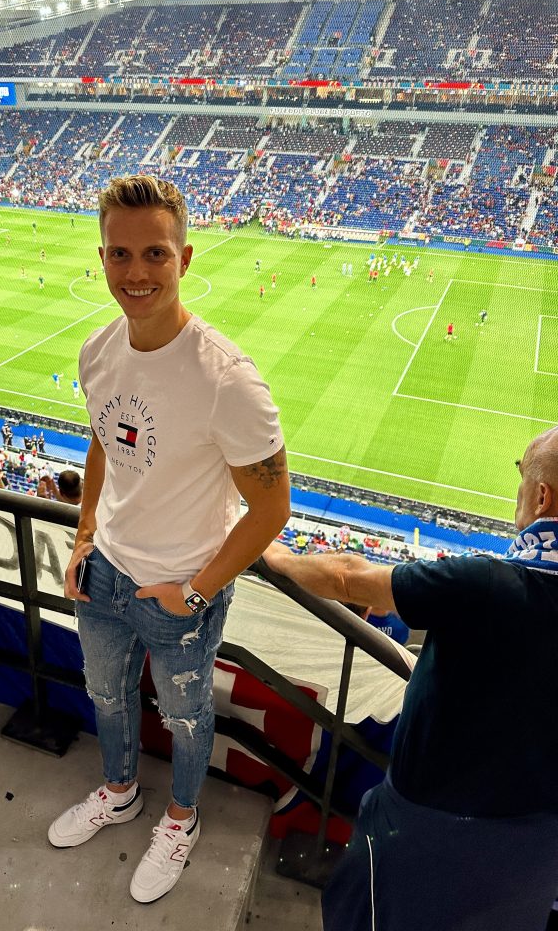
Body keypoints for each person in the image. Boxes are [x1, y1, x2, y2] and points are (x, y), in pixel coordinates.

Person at [49, 175, 289, 903]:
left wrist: (195, 590)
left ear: (184, 259)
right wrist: (85, 532)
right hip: (107, 574)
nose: (137, 272)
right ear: (102, 259)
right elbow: (99, 444)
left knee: (185, 716)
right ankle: (119, 791)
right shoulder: (97, 350)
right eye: (120, 255)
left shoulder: (226, 380)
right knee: (107, 696)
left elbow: (271, 508)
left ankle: (181, 819)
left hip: (179, 591)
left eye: (154, 253)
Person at [262, 426, 558, 931]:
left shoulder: (484, 584)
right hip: (536, 845)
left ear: (541, 495)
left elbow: (348, 578)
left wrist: (272, 555)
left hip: (427, 826)